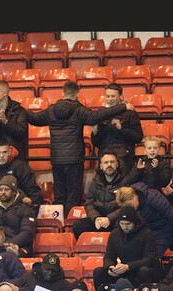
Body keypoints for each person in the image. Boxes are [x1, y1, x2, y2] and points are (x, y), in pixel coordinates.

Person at [26, 79, 131, 211]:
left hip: (57, 158)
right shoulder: (78, 109)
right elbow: (96, 116)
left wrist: (17, 109)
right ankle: (70, 223)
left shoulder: (51, 110)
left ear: (62, 93)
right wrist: (122, 106)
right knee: (73, 194)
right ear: (77, 94)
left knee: (59, 192)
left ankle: (59, 224)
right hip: (74, 158)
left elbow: (34, 119)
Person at [91, 206, 162, 291]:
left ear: (134, 222)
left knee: (144, 271)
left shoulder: (147, 234)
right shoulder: (115, 234)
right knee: (99, 272)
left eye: (128, 224)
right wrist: (110, 267)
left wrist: (128, 266)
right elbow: (109, 256)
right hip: (124, 271)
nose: (125, 227)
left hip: (142, 270)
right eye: (122, 224)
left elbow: (149, 259)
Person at [0, 139, 41, 227]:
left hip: (17, 206)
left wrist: (33, 210)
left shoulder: (21, 166)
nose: (1, 156)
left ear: (9, 152)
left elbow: (32, 189)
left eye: (5, 152)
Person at [71, 151, 133, 237]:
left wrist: (109, 219)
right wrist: (96, 218)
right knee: (78, 225)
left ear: (117, 164)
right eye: (106, 162)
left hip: (115, 220)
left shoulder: (125, 182)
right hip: (99, 220)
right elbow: (89, 204)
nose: (109, 165)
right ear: (101, 166)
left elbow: (126, 205)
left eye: (112, 162)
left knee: (123, 226)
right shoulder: (95, 182)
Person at [0, 176, 38, 257]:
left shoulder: (25, 209)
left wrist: (6, 245)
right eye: (1, 189)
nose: (3, 192)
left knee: (5, 257)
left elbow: (27, 233)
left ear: (14, 192)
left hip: (19, 247)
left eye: (6, 189)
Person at [116, 183, 173, 254]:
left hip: (163, 232)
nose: (130, 208)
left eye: (129, 204)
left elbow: (171, 214)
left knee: (152, 256)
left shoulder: (153, 197)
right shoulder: (133, 206)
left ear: (135, 196)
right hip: (146, 234)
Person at [90, 82, 143, 172]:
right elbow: (96, 143)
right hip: (105, 159)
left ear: (121, 96)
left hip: (124, 159)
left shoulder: (130, 113)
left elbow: (138, 137)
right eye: (108, 96)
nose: (110, 99)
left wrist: (121, 128)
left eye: (113, 96)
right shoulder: (101, 114)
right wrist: (95, 133)